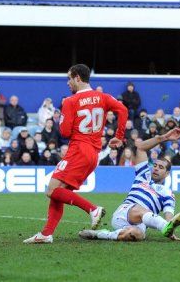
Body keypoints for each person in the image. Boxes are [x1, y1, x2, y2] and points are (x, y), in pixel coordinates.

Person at [24, 64, 128, 244]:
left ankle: (92, 209)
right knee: (59, 192)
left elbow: (64, 132)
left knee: (52, 190)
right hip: (93, 153)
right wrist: (118, 137)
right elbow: (123, 110)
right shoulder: (102, 97)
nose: (67, 83)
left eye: (69, 78)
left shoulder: (70, 102)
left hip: (78, 150)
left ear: (78, 78)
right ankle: (46, 234)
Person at [78, 128, 180, 242]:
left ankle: (100, 234)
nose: (156, 169)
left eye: (161, 168)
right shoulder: (143, 175)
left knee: (136, 235)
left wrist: (171, 228)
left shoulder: (168, 193)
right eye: (155, 165)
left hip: (140, 223)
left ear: (167, 173)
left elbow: (169, 215)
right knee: (141, 209)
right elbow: (140, 147)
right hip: (124, 212)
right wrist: (163, 138)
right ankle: (163, 227)